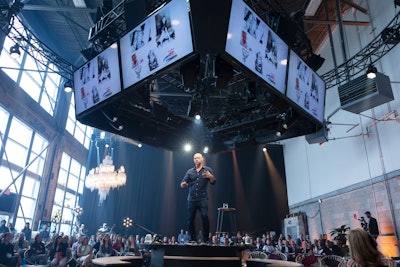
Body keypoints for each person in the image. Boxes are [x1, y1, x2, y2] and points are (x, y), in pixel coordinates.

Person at [180, 153, 216, 243]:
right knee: (190, 219)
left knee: (205, 217)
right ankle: (193, 239)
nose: (196, 159)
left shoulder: (207, 170)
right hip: (191, 199)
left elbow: (213, 182)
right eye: (194, 158)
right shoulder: (190, 171)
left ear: (202, 159)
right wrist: (183, 184)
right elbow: (182, 183)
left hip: (202, 198)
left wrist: (210, 176)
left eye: (198, 158)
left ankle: (206, 239)